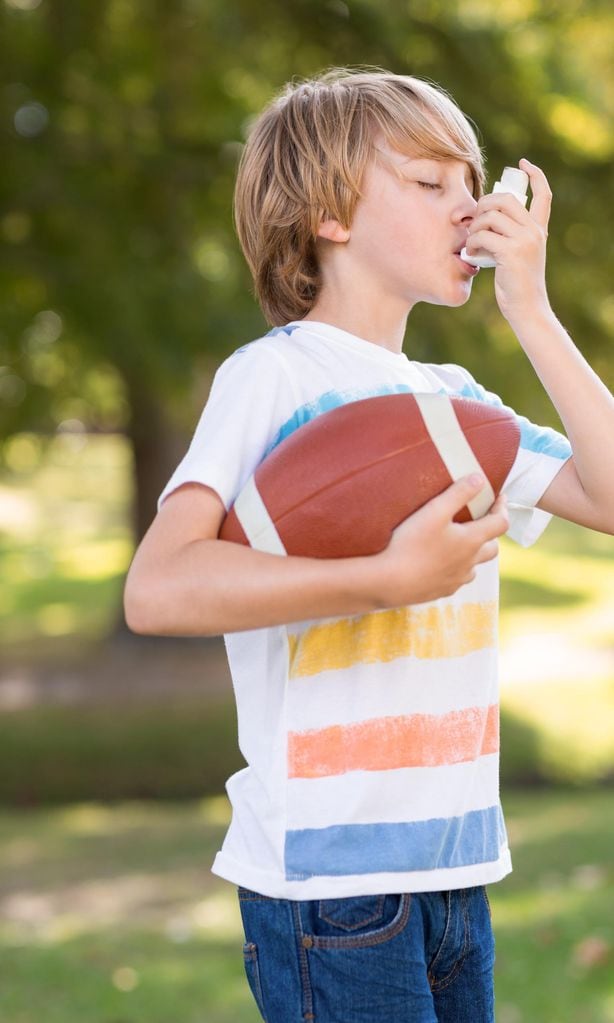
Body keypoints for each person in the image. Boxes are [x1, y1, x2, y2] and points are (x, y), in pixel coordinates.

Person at [123, 68, 614, 1023]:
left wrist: (534, 312)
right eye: (430, 183)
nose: (467, 207)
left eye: (470, 183)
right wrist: (384, 579)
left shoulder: (458, 400)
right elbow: (159, 587)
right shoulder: (271, 377)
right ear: (328, 215)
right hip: (325, 886)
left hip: (454, 865)